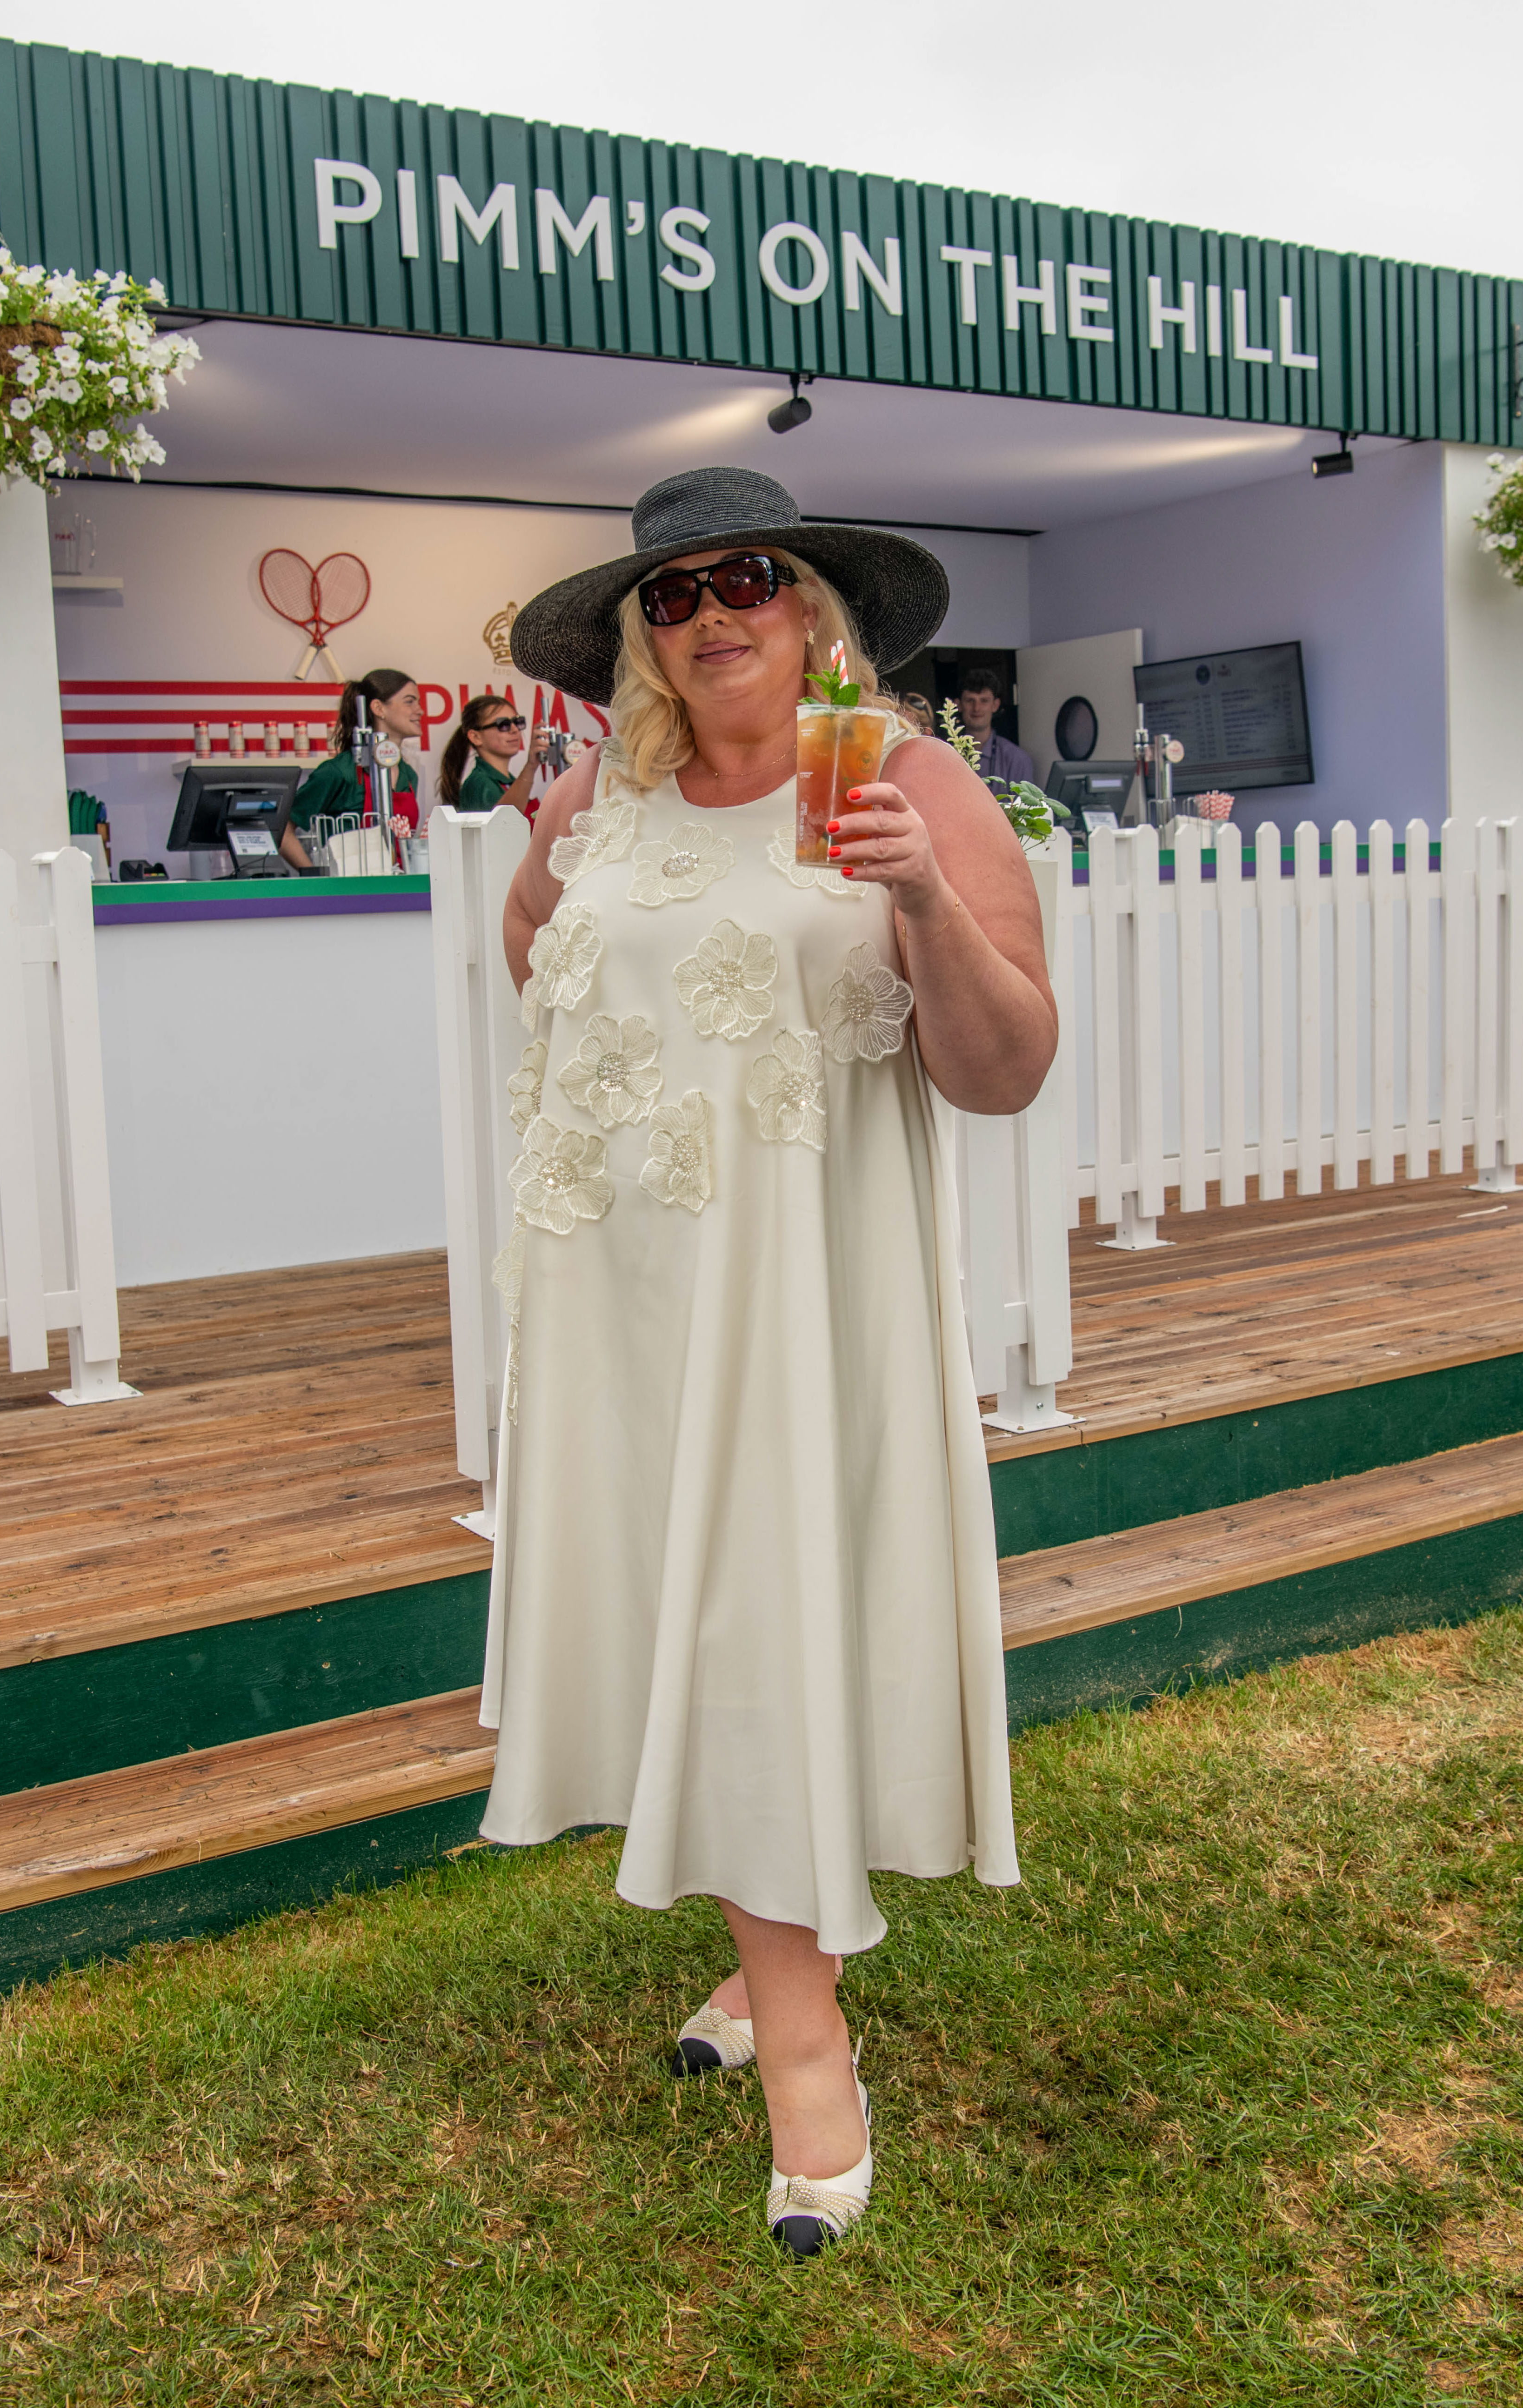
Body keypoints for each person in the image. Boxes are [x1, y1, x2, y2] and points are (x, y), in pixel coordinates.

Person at [488, 467, 1057, 2258]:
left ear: (809, 607)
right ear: (641, 639)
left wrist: (921, 908)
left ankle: (796, 2033)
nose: (708, 612)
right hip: (621, 1287)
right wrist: (557, 909)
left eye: (744, 577)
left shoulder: (901, 781)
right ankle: (768, 1974)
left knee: (759, 1612)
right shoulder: (606, 790)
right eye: (671, 595)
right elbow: (535, 951)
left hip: (805, 1281)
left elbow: (1002, 1065)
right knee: (689, 1611)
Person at [281, 669, 422, 869]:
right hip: (350, 893)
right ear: (378, 708)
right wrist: (315, 879)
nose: (420, 710)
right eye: (410, 701)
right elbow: (283, 832)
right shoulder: (339, 772)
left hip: (398, 890)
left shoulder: (409, 776)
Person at [436, 692, 551, 823]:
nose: (514, 730)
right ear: (476, 737)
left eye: (517, 722)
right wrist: (531, 766)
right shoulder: (478, 783)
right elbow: (505, 824)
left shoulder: (511, 782)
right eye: (503, 724)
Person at [957, 664, 1035, 791]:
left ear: (995, 705)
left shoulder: (1017, 760)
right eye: (970, 700)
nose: (977, 708)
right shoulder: (945, 754)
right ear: (958, 705)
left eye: (984, 701)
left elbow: (1026, 808)